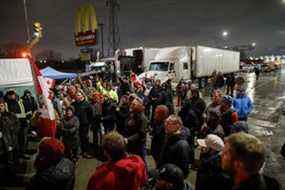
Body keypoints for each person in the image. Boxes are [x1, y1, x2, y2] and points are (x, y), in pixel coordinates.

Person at [5, 90, 30, 159]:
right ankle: (17, 155)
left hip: (23, 124)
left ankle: (23, 153)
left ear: (15, 94)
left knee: (23, 140)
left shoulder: (21, 101)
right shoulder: (6, 103)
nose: (11, 96)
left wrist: (28, 120)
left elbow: (27, 111)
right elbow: (7, 115)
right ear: (7, 96)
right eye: (9, 94)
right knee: (15, 141)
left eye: (12, 94)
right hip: (13, 126)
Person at [0, 98, 20, 184]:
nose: (0, 107)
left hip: (10, 142)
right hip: (1, 144)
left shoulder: (11, 115)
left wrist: (12, 132)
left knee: (11, 160)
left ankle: (12, 177)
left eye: (1, 106)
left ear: (5, 106)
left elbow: (17, 126)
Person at [71, 91, 93, 158]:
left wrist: (89, 122)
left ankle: (86, 152)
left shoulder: (87, 104)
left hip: (84, 124)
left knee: (85, 138)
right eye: (76, 95)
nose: (76, 96)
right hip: (76, 124)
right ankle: (79, 152)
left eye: (78, 95)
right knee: (78, 138)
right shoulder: (74, 104)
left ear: (82, 96)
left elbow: (90, 114)